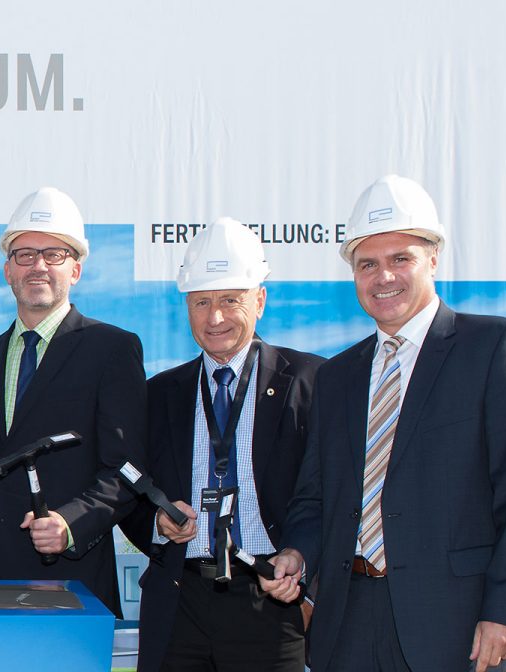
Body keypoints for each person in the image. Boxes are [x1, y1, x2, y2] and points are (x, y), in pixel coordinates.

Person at [266, 175, 506, 672]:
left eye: (401, 259)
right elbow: (316, 496)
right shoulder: (336, 377)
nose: (384, 277)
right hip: (347, 620)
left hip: (456, 624)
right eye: (368, 264)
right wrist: (297, 553)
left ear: (433, 258)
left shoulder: (494, 346)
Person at [116, 218, 319, 671]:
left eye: (231, 299)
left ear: (260, 300)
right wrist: (159, 523)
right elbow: (130, 490)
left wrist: (301, 558)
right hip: (179, 599)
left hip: (270, 594)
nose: (216, 317)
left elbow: (325, 493)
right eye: (202, 302)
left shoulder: (311, 382)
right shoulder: (159, 393)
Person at [0, 187, 144, 612]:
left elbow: (126, 468)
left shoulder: (111, 349)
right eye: (25, 254)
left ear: (76, 269)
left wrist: (71, 523)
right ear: (7, 270)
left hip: (67, 580)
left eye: (54, 254)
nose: (38, 266)